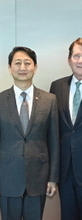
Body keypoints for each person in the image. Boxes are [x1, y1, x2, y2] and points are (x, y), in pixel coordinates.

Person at [0, 46, 59, 220]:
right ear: (9, 68)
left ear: (35, 67)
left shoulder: (50, 100)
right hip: (7, 178)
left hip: (39, 178)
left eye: (27, 63)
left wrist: (53, 178)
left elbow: (54, 142)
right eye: (17, 63)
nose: (23, 67)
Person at [50, 38, 82, 220]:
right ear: (69, 59)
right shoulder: (57, 86)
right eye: (76, 56)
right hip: (65, 171)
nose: (80, 61)